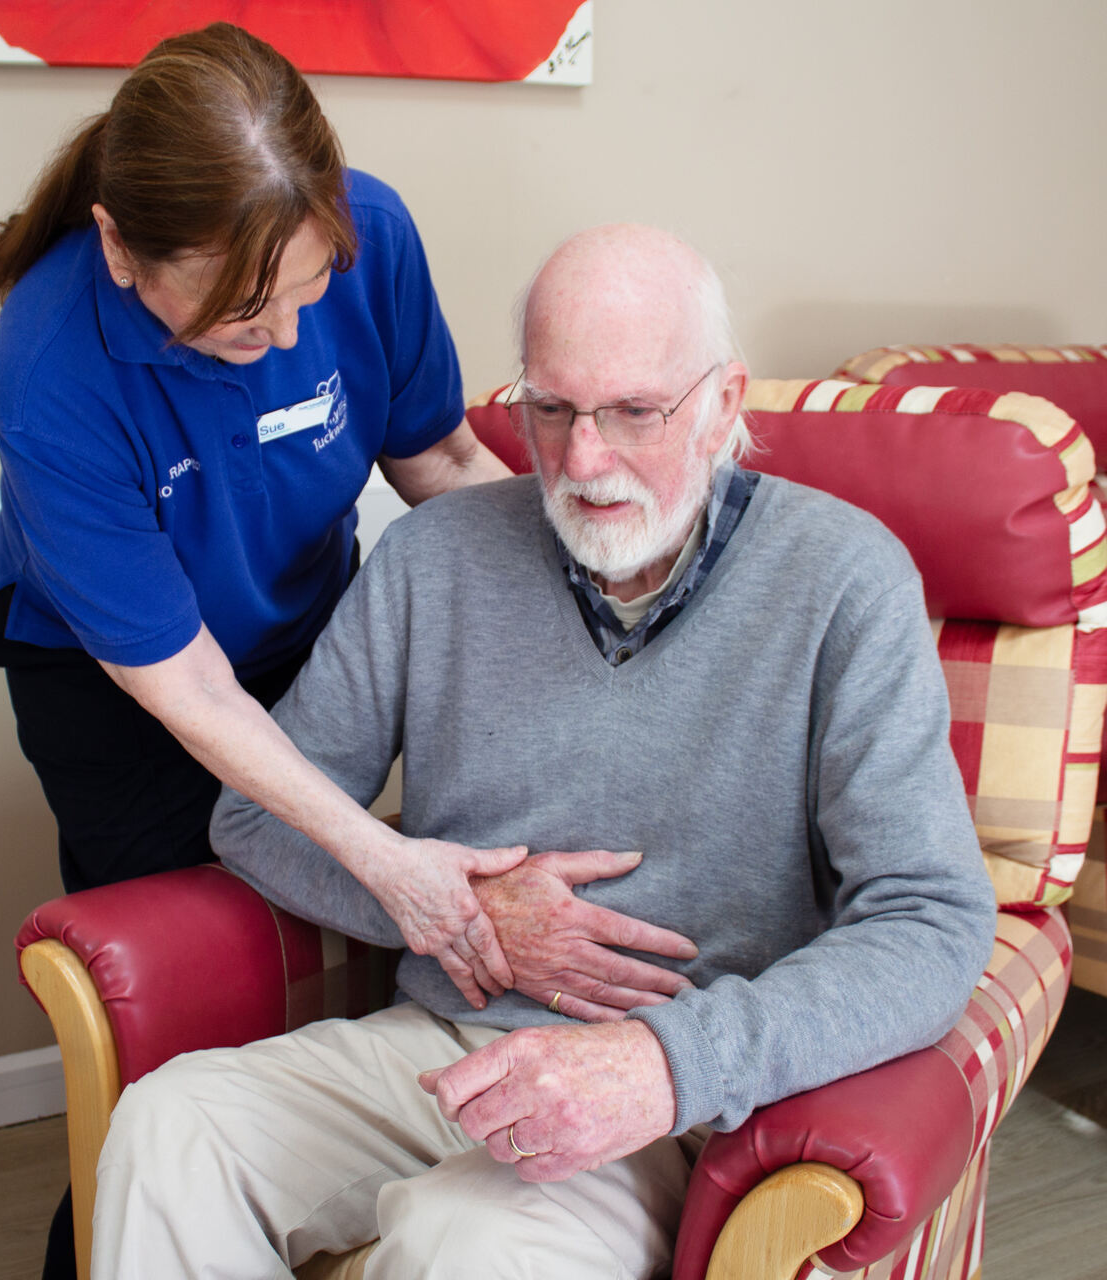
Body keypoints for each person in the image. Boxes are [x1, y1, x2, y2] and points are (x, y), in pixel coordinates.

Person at [87, 224, 1000, 1279]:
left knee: (464, 1239)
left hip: (670, 1103)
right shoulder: (432, 557)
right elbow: (254, 817)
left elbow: (933, 920)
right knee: (167, 1131)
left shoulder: (845, 579)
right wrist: (461, 912)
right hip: (439, 1050)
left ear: (723, 403)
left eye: (634, 412)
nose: (582, 459)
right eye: (551, 408)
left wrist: (666, 1063)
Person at [0, 24, 532, 1275]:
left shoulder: (373, 233)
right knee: (188, 1011)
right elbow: (186, 683)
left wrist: (599, 573)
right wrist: (385, 856)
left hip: (305, 631)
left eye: (305, 292)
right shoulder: (54, 363)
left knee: (333, 971)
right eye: (235, 315)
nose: (281, 337)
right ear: (120, 246)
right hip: (125, 693)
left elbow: (442, 462)